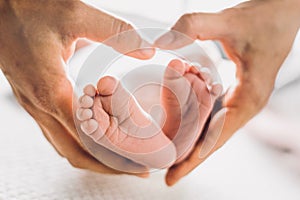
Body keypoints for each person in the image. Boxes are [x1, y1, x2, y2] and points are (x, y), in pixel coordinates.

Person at [1, 0, 299, 185]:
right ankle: (160, 139)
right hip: (152, 60)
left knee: (91, 90)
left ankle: (151, 140)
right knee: (118, 83)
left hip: (109, 58)